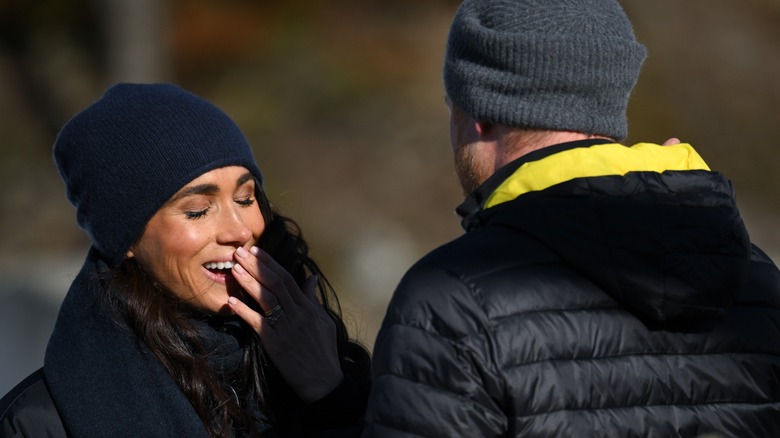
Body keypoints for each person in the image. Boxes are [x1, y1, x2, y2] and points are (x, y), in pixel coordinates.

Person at [364, 0, 780, 436]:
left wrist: (327, 408)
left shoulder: (450, 302)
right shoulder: (756, 282)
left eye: (453, 103)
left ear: (480, 109)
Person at [0, 83, 370, 437]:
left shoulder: (339, 368)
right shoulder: (41, 422)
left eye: (245, 198)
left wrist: (330, 394)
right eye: (197, 210)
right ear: (125, 238)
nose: (239, 229)